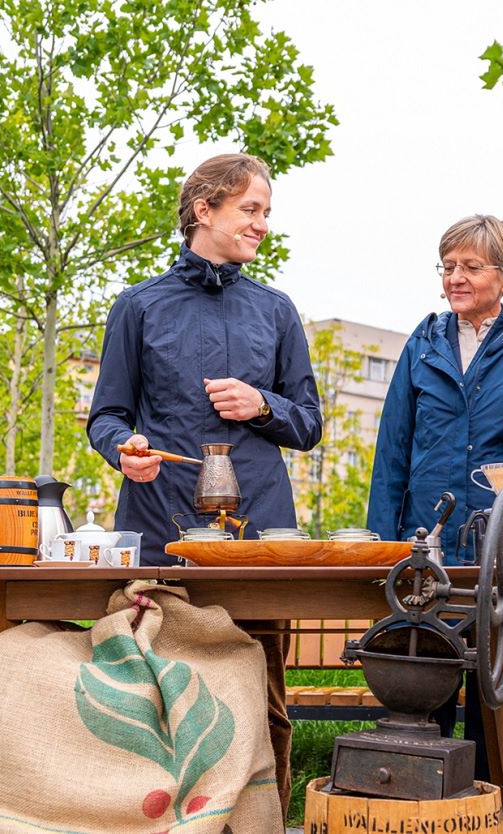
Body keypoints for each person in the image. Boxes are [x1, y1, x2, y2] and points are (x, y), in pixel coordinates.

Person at [86, 153, 322, 817]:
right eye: (251, 209)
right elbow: (107, 415)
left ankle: (264, 823)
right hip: (161, 532)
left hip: (260, 539)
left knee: (264, 699)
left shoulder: (276, 311)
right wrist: (121, 449)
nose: (262, 225)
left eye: (266, 213)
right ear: (204, 210)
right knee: (155, 703)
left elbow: (308, 424)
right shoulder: (138, 306)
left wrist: (263, 405)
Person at [366, 215, 503, 800]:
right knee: (424, 677)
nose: (455, 278)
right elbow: (392, 451)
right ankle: (423, 804)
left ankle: (496, 803)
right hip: (424, 544)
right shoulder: (423, 340)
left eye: (471, 267)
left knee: (496, 683)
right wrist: (384, 544)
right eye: (448, 266)